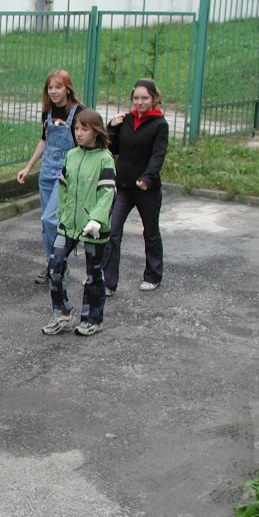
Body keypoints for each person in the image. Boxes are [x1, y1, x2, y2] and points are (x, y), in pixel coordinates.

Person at [41, 109, 116, 337]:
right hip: (68, 225)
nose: (79, 133)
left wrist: (96, 220)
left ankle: (92, 319)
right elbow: (63, 188)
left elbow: (107, 194)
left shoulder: (105, 159)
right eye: (76, 129)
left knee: (93, 274)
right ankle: (62, 314)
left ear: (96, 132)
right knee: (54, 267)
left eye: (85, 129)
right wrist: (63, 214)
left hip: (93, 228)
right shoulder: (71, 155)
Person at [16, 69, 85, 284]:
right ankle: (52, 264)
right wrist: (28, 167)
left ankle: (59, 262)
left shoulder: (79, 112)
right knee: (46, 223)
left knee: (51, 219)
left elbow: (84, 142)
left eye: (58, 87)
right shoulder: (47, 111)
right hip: (47, 171)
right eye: (50, 87)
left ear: (68, 89)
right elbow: (44, 140)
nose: (54, 91)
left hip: (66, 173)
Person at [102, 78, 169, 295]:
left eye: (144, 98)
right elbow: (113, 149)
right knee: (113, 231)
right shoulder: (126, 120)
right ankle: (108, 282)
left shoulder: (160, 124)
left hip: (146, 188)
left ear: (153, 99)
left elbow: (158, 155)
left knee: (150, 232)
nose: (140, 102)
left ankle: (153, 275)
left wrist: (147, 178)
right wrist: (111, 127)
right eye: (136, 98)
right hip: (123, 185)